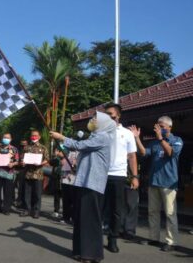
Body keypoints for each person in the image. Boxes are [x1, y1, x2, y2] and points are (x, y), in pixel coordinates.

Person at [50, 111, 116, 263]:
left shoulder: (103, 137)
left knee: (90, 220)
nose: (92, 120)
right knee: (81, 218)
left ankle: (91, 254)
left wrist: (62, 138)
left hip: (93, 184)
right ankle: (80, 251)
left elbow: (79, 145)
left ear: (103, 123)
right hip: (84, 182)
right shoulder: (95, 136)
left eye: (95, 119)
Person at [129, 116, 183, 252]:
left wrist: (161, 139)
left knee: (170, 213)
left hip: (169, 183)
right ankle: (154, 238)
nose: (159, 129)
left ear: (170, 127)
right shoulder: (154, 143)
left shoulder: (177, 140)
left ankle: (171, 242)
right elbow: (143, 152)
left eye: (162, 127)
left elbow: (171, 153)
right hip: (154, 182)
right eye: (157, 126)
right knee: (152, 211)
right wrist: (136, 138)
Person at [103, 103, 139, 253]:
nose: (108, 117)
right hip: (101, 175)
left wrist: (135, 176)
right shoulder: (101, 132)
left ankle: (112, 239)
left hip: (118, 175)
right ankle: (94, 237)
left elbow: (132, 156)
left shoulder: (127, 133)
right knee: (100, 207)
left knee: (117, 210)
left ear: (118, 115)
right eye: (106, 114)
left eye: (110, 114)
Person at [20, 130, 49, 219]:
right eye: (32, 135)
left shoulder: (43, 148)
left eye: (36, 136)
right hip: (28, 174)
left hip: (38, 174)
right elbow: (22, 159)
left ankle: (36, 211)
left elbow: (47, 159)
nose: (34, 137)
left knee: (37, 194)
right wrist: (22, 163)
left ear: (39, 137)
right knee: (27, 193)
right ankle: (26, 210)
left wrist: (40, 163)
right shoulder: (26, 148)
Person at [0, 133, 19, 215]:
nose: (6, 139)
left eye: (7, 138)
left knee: (8, 192)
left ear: (11, 139)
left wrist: (12, 164)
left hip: (8, 173)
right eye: (4, 137)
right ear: (2, 138)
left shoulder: (14, 149)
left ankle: (6, 209)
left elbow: (17, 161)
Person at [58, 148, 78, 224]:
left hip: (74, 179)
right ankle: (65, 217)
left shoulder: (80, 153)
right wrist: (61, 162)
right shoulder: (66, 152)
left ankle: (74, 217)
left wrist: (76, 163)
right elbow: (62, 163)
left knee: (74, 200)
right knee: (65, 199)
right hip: (65, 178)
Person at [13, 139, 28, 208]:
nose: (23, 146)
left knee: (23, 187)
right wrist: (19, 163)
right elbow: (15, 159)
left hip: (25, 171)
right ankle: (14, 200)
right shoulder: (17, 151)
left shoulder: (29, 151)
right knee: (14, 186)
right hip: (17, 170)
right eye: (22, 145)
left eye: (25, 145)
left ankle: (21, 201)